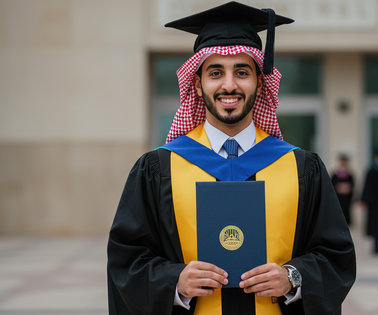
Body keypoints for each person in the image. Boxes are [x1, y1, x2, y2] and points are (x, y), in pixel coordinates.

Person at [107, 2, 356, 315]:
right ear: (197, 85)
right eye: (215, 73)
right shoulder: (159, 168)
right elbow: (126, 260)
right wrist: (175, 281)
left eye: (242, 72)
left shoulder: (301, 168)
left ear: (260, 82)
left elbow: (336, 256)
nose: (229, 85)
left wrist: (292, 277)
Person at [331, 154, 355, 225]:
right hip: (338, 198)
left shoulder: (350, 174)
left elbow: (352, 185)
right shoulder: (335, 174)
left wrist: (347, 188)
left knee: (346, 213)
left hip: (347, 198)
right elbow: (332, 184)